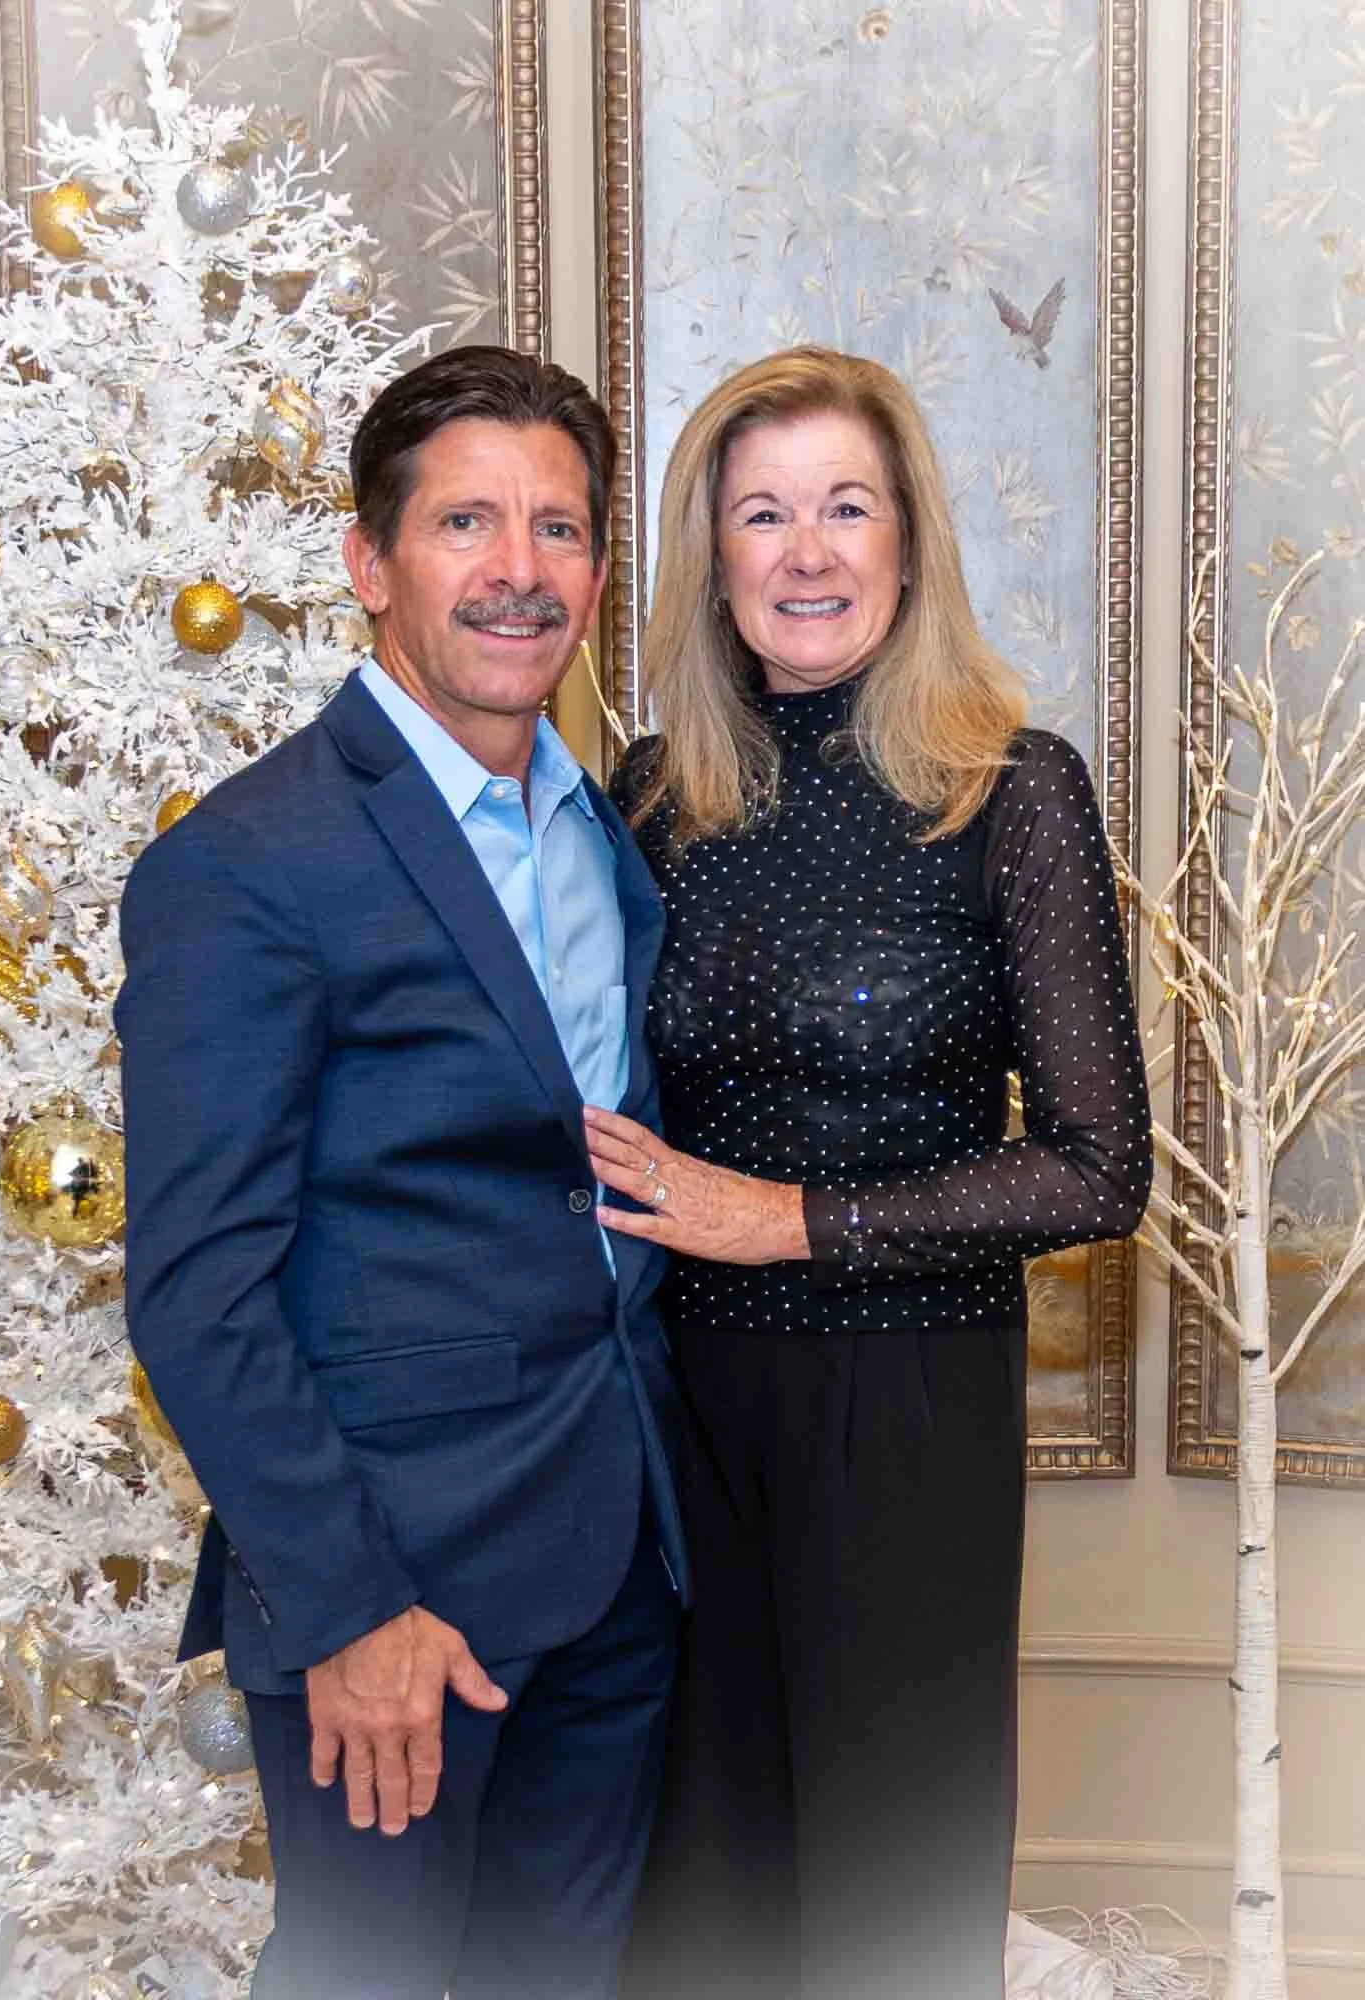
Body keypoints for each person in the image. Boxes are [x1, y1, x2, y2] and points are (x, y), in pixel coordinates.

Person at [117, 344, 688, 2000]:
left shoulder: (603, 832)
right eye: (465, 523)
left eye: (560, 529)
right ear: (372, 564)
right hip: (397, 1602)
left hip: (614, 1559)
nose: (520, 570)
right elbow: (197, 1288)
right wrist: (353, 1605)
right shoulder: (244, 863)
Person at [585, 346, 1153, 2000]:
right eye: (763, 513)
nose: (807, 550)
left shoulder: (1008, 790)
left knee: (888, 1908)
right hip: (680, 1414)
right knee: (698, 1901)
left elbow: (1096, 1170)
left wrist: (789, 1222)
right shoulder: (650, 797)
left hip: (909, 1408)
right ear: (714, 556)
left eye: (847, 506)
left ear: (909, 544)